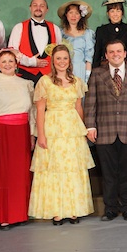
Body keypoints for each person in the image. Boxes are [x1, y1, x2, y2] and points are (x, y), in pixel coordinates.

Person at [29, 44, 95, 225]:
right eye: (58, 58)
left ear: (69, 60)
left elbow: (78, 107)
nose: (62, 61)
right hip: (53, 128)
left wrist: (82, 130)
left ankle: (73, 209)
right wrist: (41, 135)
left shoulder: (77, 82)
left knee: (72, 167)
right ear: (53, 61)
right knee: (55, 168)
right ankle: (57, 210)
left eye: (65, 58)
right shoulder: (44, 82)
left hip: (72, 128)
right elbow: (40, 110)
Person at [85, 40, 127, 222]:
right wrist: (90, 126)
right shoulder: (97, 74)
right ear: (106, 55)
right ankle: (110, 208)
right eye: (111, 52)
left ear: (125, 53)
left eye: (119, 51)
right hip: (105, 130)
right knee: (108, 174)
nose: (115, 54)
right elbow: (91, 101)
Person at [0, 48, 36, 230]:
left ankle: (20, 213)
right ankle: (5, 216)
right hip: (2, 134)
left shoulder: (27, 84)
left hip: (22, 133)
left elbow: (32, 112)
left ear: (16, 63)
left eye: (11, 61)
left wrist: (32, 134)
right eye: (4, 61)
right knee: (3, 175)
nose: (8, 64)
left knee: (21, 175)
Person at [8, 0, 62, 84]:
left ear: (47, 10)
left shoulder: (55, 28)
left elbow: (59, 52)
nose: (38, 8)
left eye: (42, 6)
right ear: (30, 8)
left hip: (49, 76)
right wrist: (31, 62)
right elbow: (12, 52)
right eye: (35, 5)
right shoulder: (18, 27)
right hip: (25, 75)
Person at [58, 0, 95, 83]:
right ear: (66, 15)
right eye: (71, 12)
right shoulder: (59, 33)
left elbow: (89, 58)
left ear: (81, 16)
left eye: (77, 13)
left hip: (80, 70)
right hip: (63, 70)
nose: (73, 16)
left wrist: (87, 76)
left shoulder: (88, 33)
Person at [93, 0, 127, 68]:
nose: (115, 14)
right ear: (108, 13)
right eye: (112, 11)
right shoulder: (101, 30)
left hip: (126, 68)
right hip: (105, 68)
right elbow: (97, 53)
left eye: (118, 11)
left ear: (122, 13)